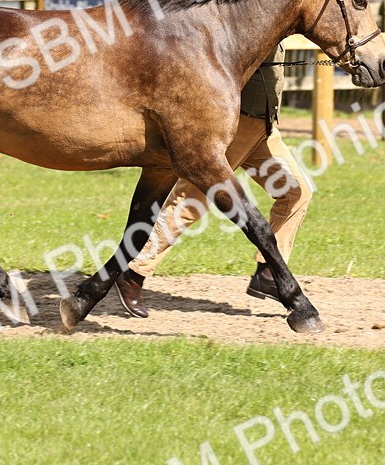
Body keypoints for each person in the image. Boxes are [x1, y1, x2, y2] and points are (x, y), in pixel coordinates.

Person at [113, 45, 313, 317]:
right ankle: (133, 271)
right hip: (234, 125)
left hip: (263, 128)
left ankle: (268, 274)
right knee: (191, 201)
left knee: (296, 192)